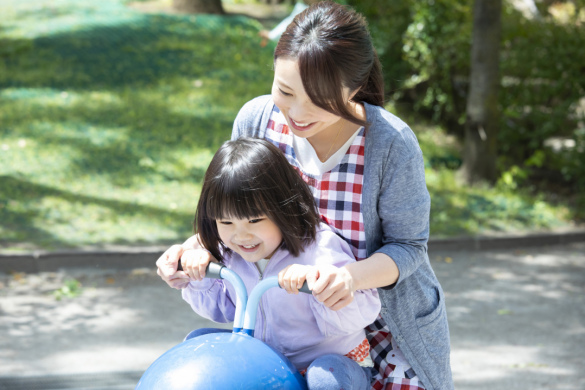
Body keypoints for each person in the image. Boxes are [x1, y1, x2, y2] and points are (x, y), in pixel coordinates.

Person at [157, 2, 454, 389]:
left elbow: (409, 247)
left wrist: (347, 279)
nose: (296, 113)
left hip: (381, 326)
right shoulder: (257, 120)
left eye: (318, 100)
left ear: (356, 88)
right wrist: (195, 247)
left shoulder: (390, 144)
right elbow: (233, 205)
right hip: (285, 325)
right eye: (284, 91)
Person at [176, 137, 381, 390]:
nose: (241, 236)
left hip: (331, 362)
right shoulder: (229, 252)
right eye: (226, 223)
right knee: (196, 344)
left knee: (324, 379)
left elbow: (362, 312)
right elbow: (224, 311)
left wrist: (321, 285)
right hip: (269, 361)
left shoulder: (318, 247)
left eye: (254, 220)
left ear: (282, 208)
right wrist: (199, 276)